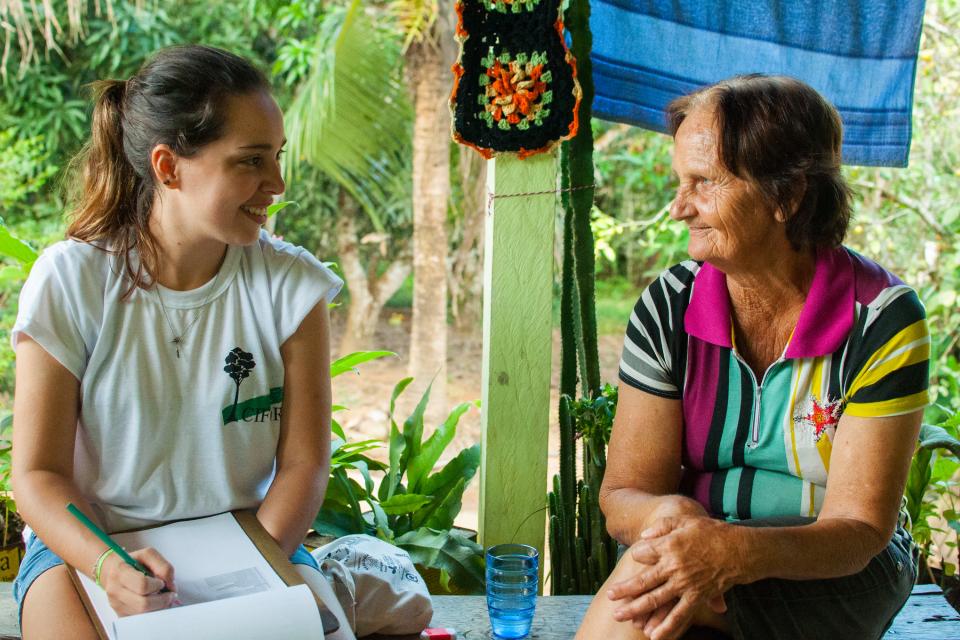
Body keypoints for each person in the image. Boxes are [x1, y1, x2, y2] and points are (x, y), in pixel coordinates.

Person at [10, 45, 348, 638]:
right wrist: (109, 565)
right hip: (90, 546)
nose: (277, 182)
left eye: (277, 157)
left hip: (256, 538)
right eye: (250, 161)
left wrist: (246, 577)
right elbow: (37, 476)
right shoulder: (72, 280)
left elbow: (304, 463)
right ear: (169, 167)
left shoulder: (294, 289)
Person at [575, 75, 929, 640]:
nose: (678, 208)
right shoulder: (668, 308)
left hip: (841, 567)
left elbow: (860, 529)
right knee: (656, 591)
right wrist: (674, 522)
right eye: (679, 182)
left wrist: (734, 551)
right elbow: (623, 495)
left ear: (787, 196)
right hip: (698, 543)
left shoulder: (881, 319)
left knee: (642, 608)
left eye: (704, 183)